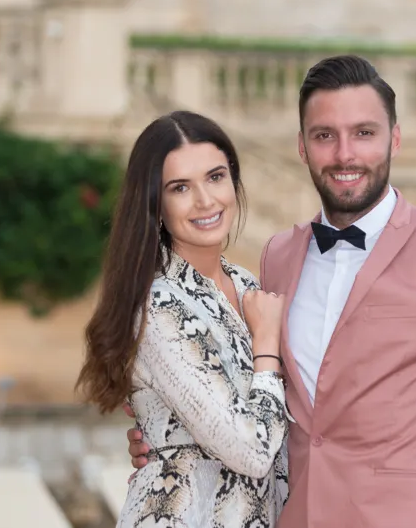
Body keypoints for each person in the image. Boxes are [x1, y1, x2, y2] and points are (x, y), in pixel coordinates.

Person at [127, 55, 416, 528]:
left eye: (364, 133)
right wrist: (166, 437)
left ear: (395, 138)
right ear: (302, 147)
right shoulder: (278, 258)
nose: (344, 155)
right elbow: (252, 394)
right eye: (324, 136)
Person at [75, 110, 292, 528]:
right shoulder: (157, 309)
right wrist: (267, 349)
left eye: (215, 177)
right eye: (180, 188)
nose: (206, 201)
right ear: (155, 205)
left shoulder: (248, 287)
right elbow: (250, 452)